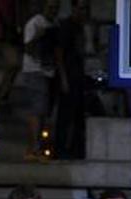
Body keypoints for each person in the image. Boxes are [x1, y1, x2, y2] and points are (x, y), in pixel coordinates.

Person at [21, 0, 59, 160]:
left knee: (42, 112)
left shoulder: (55, 24)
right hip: (34, 71)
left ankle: (36, 147)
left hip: (48, 73)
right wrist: (38, 36)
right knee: (37, 111)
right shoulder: (34, 23)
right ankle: (33, 149)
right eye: (50, 7)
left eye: (56, 8)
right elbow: (27, 48)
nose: (53, 10)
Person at [53, 0, 88, 159]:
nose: (83, 12)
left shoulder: (80, 27)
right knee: (65, 116)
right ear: (74, 8)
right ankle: (60, 149)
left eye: (85, 9)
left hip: (78, 76)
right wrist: (63, 79)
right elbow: (59, 53)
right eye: (80, 8)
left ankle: (75, 149)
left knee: (77, 115)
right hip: (68, 76)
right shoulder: (66, 26)